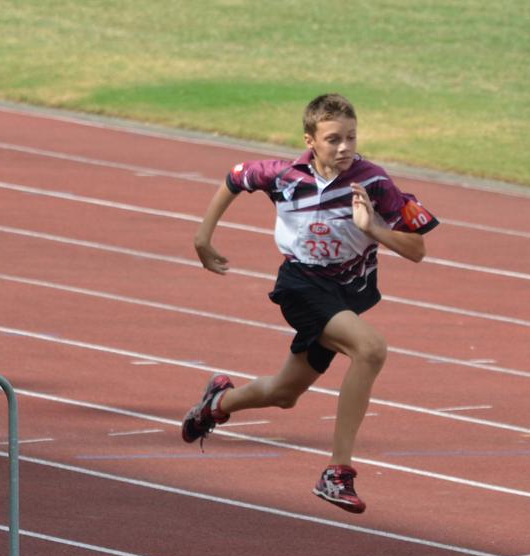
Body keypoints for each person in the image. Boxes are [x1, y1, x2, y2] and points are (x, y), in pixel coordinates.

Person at [182, 93, 438, 514]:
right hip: (299, 286)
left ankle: (217, 403)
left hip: (344, 296)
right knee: (370, 349)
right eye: (334, 139)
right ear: (310, 140)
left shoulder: (374, 183)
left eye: (351, 138)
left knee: (285, 393)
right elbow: (235, 177)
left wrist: (373, 226)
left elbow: (417, 249)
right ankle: (337, 473)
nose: (344, 148)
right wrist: (202, 238)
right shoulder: (284, 175)